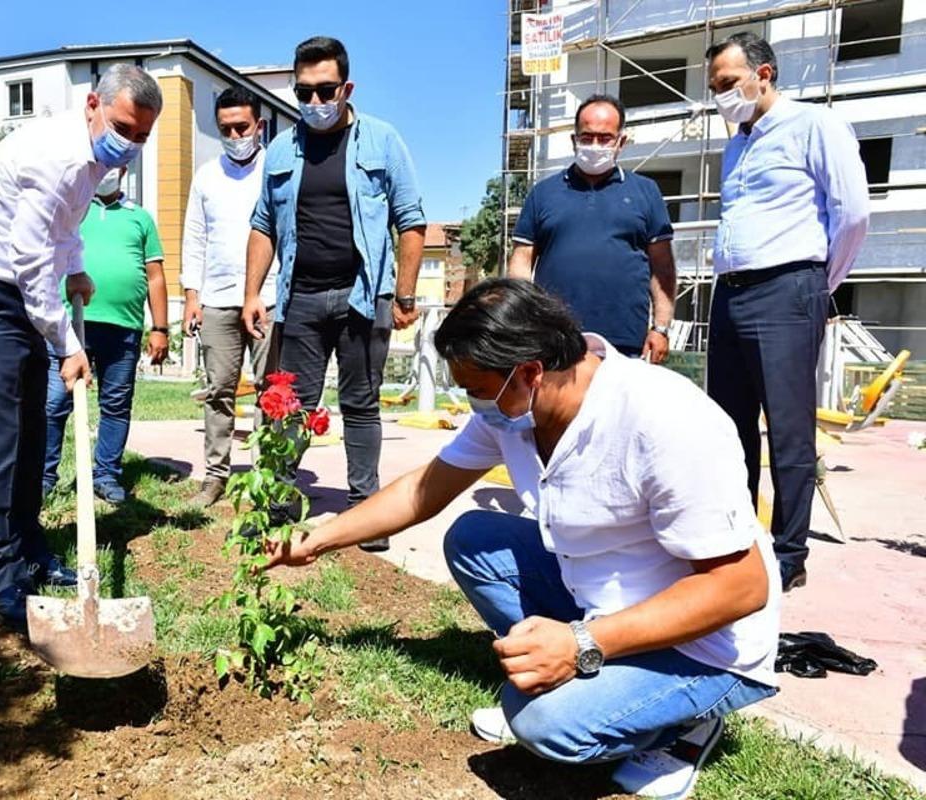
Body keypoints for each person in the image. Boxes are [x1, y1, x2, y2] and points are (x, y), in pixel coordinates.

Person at [266, 280, 780, 800]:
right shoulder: (519, 411)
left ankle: (684, 727)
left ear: (531, 372)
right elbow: (424, 490)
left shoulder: (662, 420)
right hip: (606, 599)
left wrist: (580, 644)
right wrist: (319, 537)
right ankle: (592, 675)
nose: (472, 402)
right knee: (475, 540)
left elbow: (740, 589)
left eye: (477, 388)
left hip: (707, 645)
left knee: (539, 722)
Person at [0, 65, 163, 632]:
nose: (129, 144)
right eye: (123, 128)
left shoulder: (90, 162)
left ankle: (30, 549)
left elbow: (63, 230)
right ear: (92, 105)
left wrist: (78, 269)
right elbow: (32, 263)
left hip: (12, 297)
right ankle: (3, 580)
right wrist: (67, 344)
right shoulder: (54, 157)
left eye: (140, 137)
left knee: (32, 432)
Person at [243, 36, 427, 551]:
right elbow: (263, 225)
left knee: (361, 403)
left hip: (363, 296)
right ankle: (276, 507)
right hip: (299, 297)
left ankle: (365, 511)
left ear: (347, 87)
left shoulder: (383, 141)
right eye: (305, 93)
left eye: (326, 91)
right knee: (290, 406)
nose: (316, 103)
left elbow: (410, 221)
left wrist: (404, 295)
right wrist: (251, 292)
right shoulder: (281, 149)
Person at [705, 32, 869, 591]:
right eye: (715, 88)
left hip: (788, 286)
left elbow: (852, 214)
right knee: (729, 428)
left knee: (789, 429)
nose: (722, 96)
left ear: (764, 73)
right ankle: (736, 541)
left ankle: (789, 555)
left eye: (729, 83)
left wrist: (820, 285)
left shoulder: (814, 126)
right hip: (730, 291)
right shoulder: (736, 144)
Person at [508, 94, 676, 362]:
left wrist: (661, 327)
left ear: (621, 141)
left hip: (626, 344)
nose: (595, 145)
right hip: (555, 340)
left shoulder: (646, 192)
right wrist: (523, 320)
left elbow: (663, 267)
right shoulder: (543, 193)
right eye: (586, 137)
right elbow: (521, 262)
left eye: (605, 137)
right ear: (574, 140)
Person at [43, 167, 169, 504]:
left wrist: (159, 327)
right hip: (70, 325)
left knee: (115, 404)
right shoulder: (72, 211)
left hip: (123, 326)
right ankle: (44, 476)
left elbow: (155, 276)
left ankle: (106, 474)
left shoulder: (139, 219)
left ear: (125, 170)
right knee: (55, 401)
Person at [181, 86, 279, 507]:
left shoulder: (277, 170)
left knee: (270, 390)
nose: (235, 135)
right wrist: (191, 295)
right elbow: (194, 238)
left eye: (242, 126)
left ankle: (268, 478)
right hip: (218, 299)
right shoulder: (206, 176)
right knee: (219, 388)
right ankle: (216, 475)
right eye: (226, 128)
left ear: (259, 125)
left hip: (270, 297)